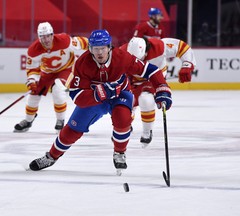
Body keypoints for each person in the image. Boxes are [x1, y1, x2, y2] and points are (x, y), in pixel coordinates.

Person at [29, 29, 173, 174]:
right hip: (95, 98)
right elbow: (76, 95)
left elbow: (151, 70)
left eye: (103, 48)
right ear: (90, 49)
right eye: (96, 48)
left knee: (123, 121)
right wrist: (98, 94)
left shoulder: (122, 57)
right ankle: (51, 157)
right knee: (72, 130)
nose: (99, 53)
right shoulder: (82, 63)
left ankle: (119, 153)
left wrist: (162, 87)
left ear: (109, 47)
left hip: (120, 94)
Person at [120, 36, 196, 147]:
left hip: (154, 79)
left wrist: (187, 65)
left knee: (146, 99)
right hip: (132, 80)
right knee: (124, 104)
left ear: (146, 51)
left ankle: (147, 131)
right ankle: (125, 125)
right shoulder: (122, 52)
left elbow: (182, 47)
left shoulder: (160, 46)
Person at [14, 22, 88, 133]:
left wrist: (95, 46)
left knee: (58, 90)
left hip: (67, 69)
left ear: (52, 35)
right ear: (39, 37)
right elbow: (32, 68)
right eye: (42, 37)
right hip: (47, 72)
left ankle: (60, 120)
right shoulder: (33, 50)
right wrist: (32, 81)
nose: (46, 40)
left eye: (48, 36)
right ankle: (28, 120)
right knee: (33, 94)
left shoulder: (64, 41)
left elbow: (81, 42)